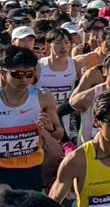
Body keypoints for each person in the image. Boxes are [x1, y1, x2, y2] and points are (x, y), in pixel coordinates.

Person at [0, 46, 63, 192]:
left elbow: (59, 134)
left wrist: (51, 128)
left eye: (29, 74)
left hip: (31, 170)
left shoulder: (43, 98)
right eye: (17, 75)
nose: (23, 80)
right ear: (3, 74)